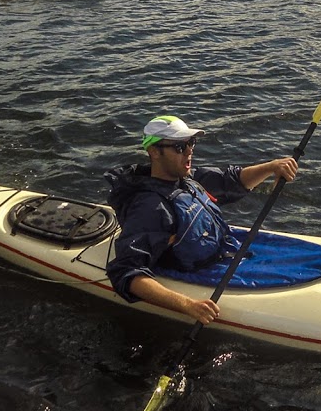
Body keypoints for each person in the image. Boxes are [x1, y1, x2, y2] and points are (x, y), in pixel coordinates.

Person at [104, 115, 299, 324]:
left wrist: (272, 167)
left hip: (223, 252)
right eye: (179, 147)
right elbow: (125, 271)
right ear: (154, 152)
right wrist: (188, 305)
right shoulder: (150, 208)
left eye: (191, 143)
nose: (189, 151)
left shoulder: (187, 180)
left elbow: (230, 181)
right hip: (195, 269)